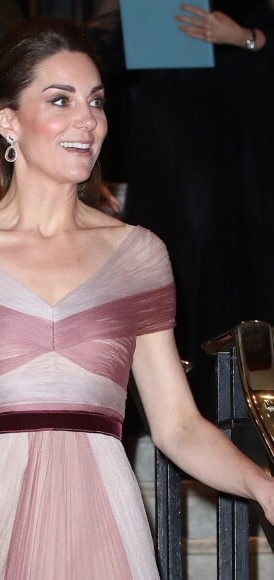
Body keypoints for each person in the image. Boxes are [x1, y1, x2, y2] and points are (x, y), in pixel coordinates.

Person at [0, 16, 274, 579]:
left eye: (97, 101)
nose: (88, 120)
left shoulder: (138, 254)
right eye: (60, 100)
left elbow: (178, 425)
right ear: (9, 121)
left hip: (104, 519)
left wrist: (263, 484)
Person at [123, 0, 274, 421]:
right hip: (170, 97)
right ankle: (173, 404)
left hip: (244, 103)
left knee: (238, 247)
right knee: (179, 242)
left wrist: (243, 37)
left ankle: (241, 408)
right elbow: (118, 35)